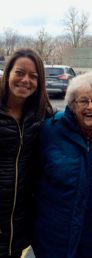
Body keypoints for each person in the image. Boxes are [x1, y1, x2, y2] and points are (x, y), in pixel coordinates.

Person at [31, 72, 92, 258]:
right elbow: (32, 177)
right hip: (54, 238)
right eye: (83, 101)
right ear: (72, 105)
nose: (90, 107)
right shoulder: (50, 130)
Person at [0, 48, 54, 258]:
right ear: (8, 73)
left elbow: (73, 119)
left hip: (17, 224)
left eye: (33, 76)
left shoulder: (41, 113)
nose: (26, 80)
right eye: (20, 72)